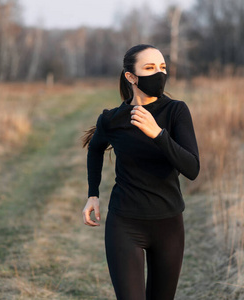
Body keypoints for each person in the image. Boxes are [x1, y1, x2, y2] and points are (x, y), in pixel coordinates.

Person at [81, 44, 200, 300]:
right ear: (130, 76)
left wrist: (157, 133)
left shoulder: (176, 111)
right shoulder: (112, 119)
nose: (159, 73)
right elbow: (95, 149)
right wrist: (92, 194)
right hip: (125, 223)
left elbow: (192, 168)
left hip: (168, 224)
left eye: (162, 67)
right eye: (149, 68)